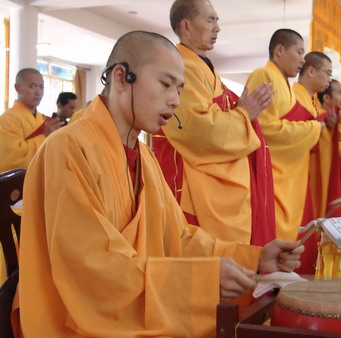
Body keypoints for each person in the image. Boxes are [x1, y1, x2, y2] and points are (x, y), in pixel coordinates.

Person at [12, 31, 304, 337]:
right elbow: (89, 268)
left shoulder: (145, 158)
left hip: (126, 306)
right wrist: (200, 280)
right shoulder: (68, 148)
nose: (176, 100)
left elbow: (178, 237)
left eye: (179, 89)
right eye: (166, 85)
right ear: (122, 77)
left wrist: (255, 257)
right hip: (76, 318)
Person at [153, 0, 276, 246]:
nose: (217, 27)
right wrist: (244, 114)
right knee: (203, 262)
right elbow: (198, 130)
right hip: (195, 190)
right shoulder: (182, 68)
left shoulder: (203, 67)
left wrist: (243, 111)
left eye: (217, 20)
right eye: (210, 20)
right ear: (186, 26)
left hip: (217, 186)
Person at [245, 29, 322, 274]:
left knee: (287, 237)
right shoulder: (264, 75)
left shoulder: (283, 83)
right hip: (272, 174)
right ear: (279, 50)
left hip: (289, 174)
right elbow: (263, 128)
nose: (302, 59)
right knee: (273, 234)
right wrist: (312, 129)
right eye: (299, 52)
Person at [293, 52, 340, 221]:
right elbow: (294, 133)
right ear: (311, 71)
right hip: (296, 173)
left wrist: (328, 126)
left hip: (309, 171)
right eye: (328, 73)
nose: (329, 80)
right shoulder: (295, 97)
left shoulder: (310, 100)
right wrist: (320, 124)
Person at [0, 68, 63, 172]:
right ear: (18, 88)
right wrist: (44, 136)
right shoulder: (8, 119)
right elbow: (11, 158)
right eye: (32, 86)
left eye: (41, 87)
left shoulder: (44, 119)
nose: (38, 92)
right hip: (21, 184)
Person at [317, 79, 341, 216]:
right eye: (339, 93)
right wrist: (336, 147)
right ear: (326, 98)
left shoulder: (336, 117)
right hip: (331, 178)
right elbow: (316, 143)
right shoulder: (321, 117)